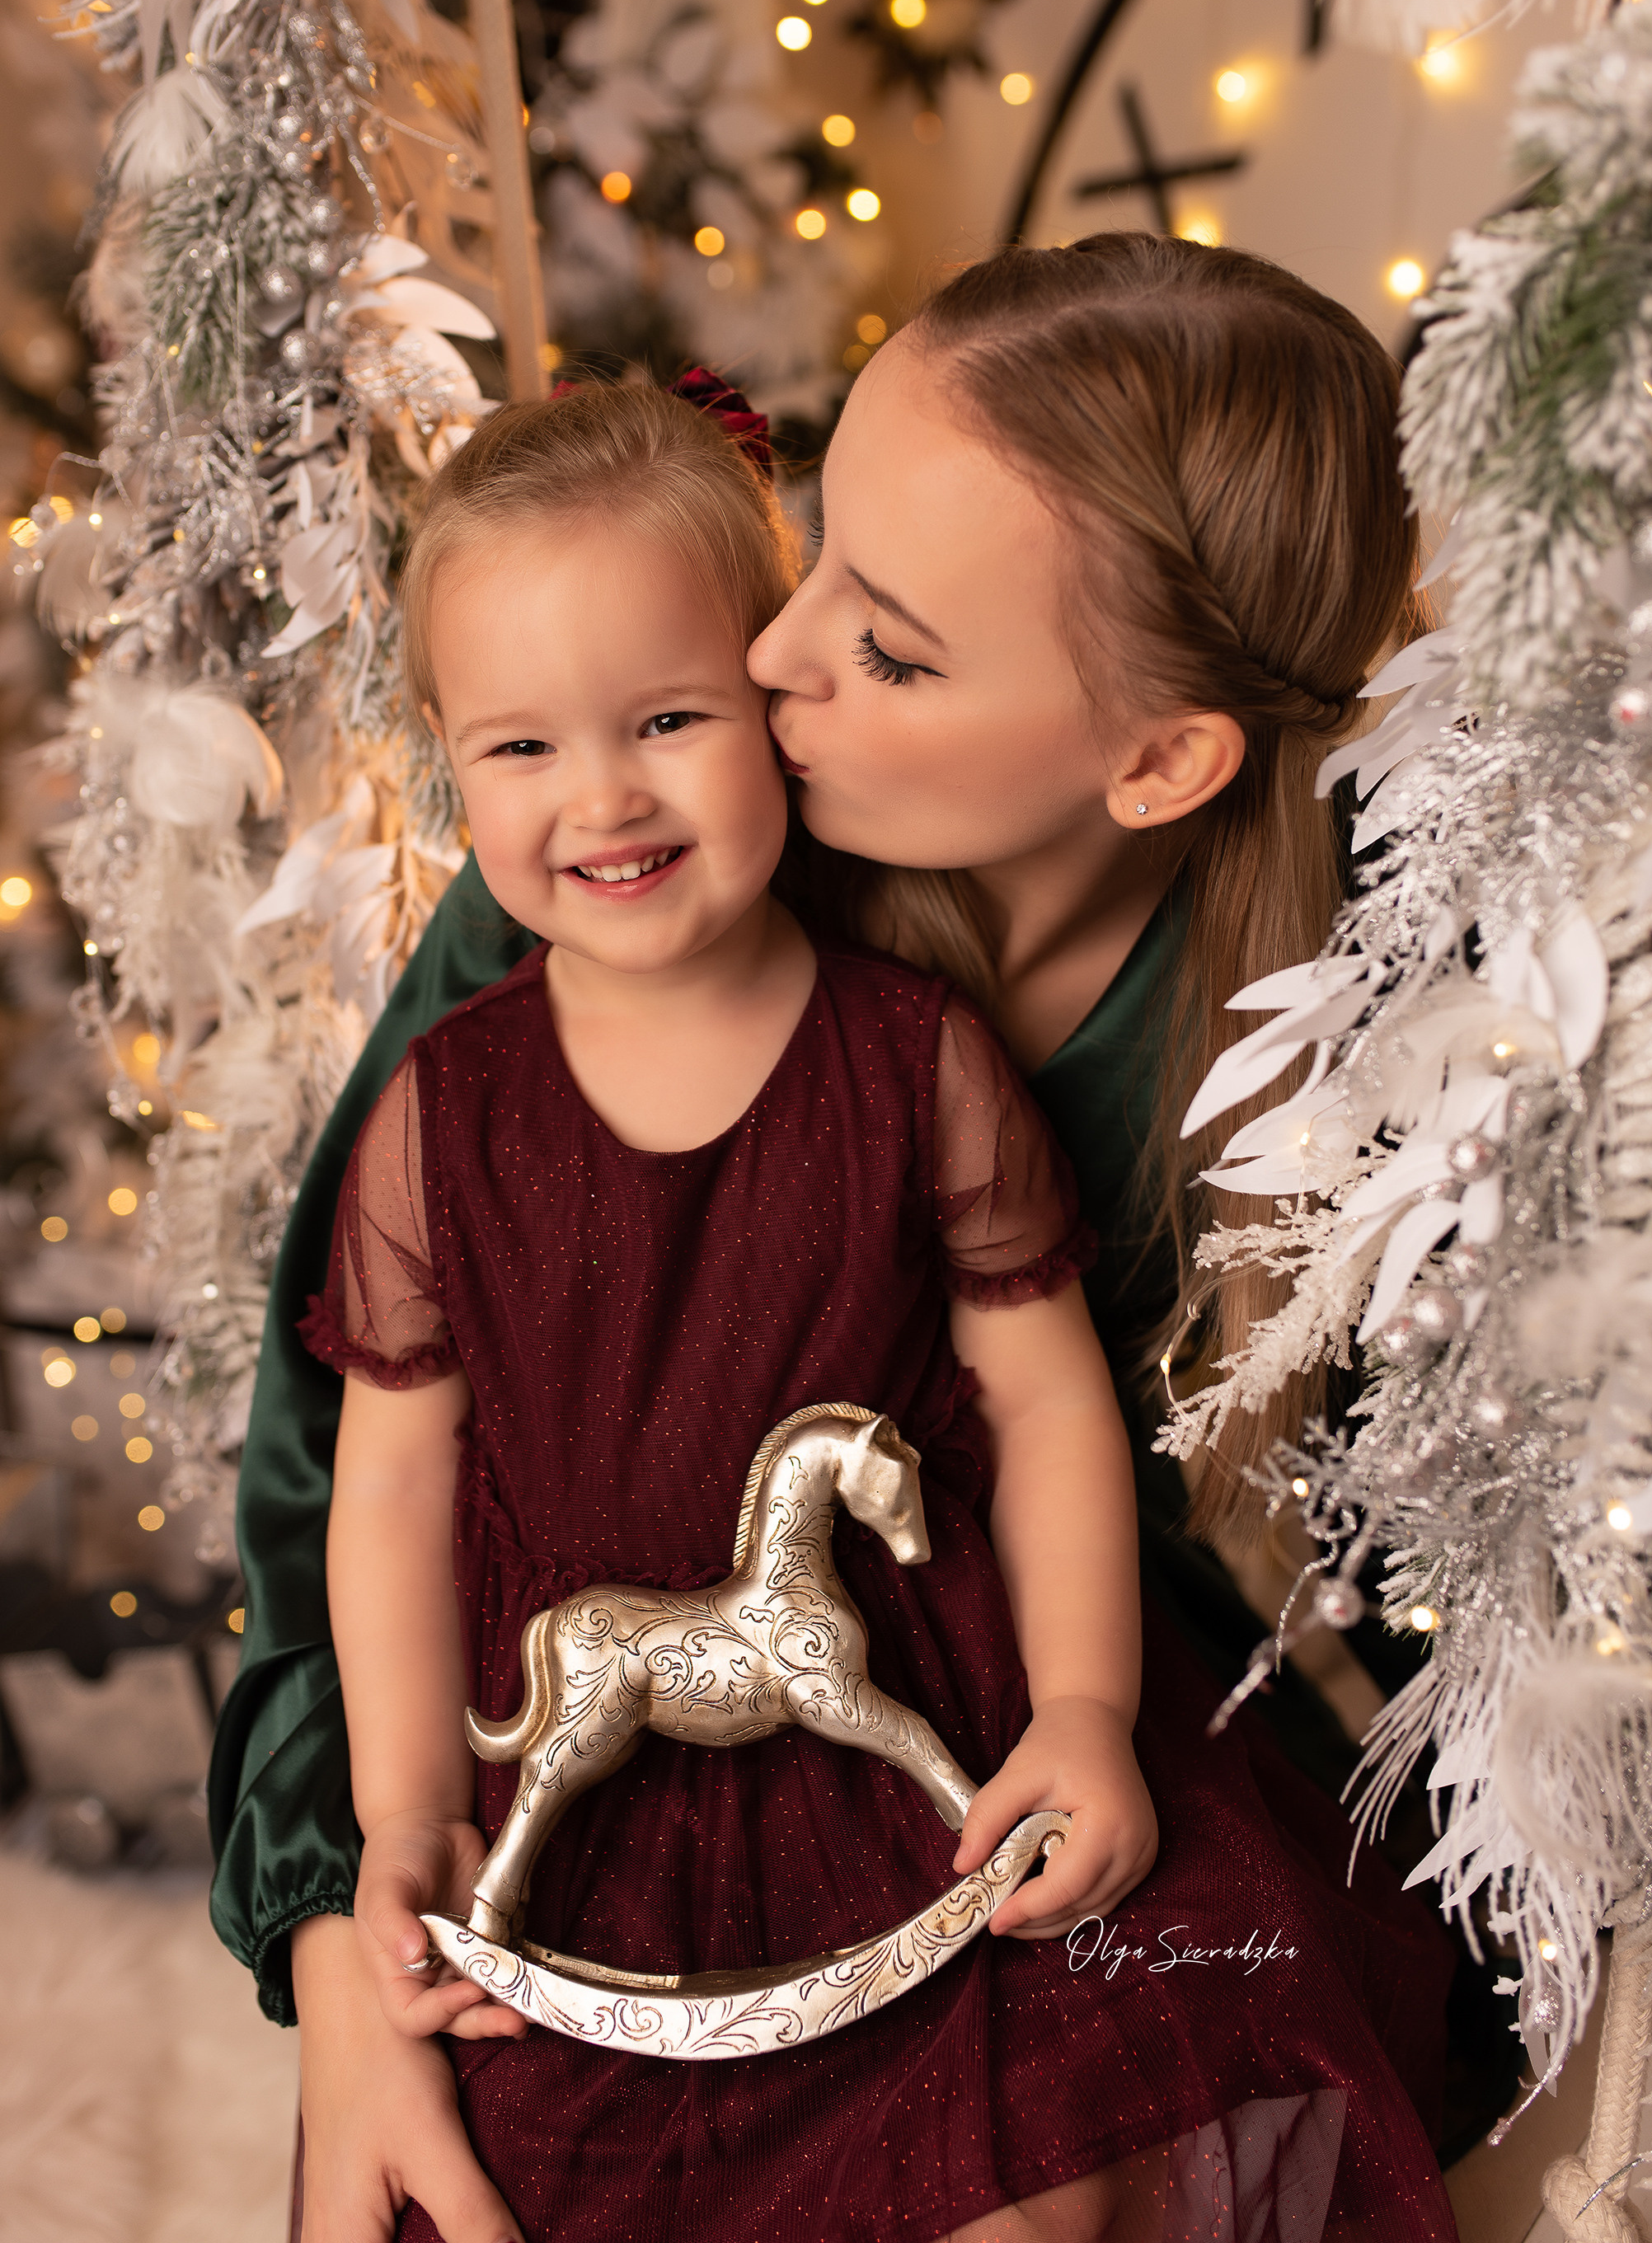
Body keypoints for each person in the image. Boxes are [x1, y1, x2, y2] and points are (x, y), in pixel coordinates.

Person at [209, 240, 1481, 2242]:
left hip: (1000, 1704)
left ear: (1155, 759)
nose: (767, 662)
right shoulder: (628, 871)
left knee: (1116, 2106)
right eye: (810, 558)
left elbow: (1457, 1543)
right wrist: (325, 1948)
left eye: (886, 649)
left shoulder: (1378, 995)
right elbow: (340, 1457)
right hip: (578, 1741)